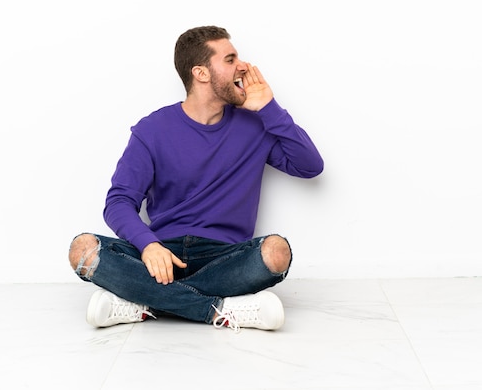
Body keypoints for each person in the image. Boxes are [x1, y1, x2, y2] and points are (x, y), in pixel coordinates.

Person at [68, 25, 324, 332]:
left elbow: (310, 166)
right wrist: (148, 245)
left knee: (276, 253)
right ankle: (219, 310)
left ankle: (143, 302)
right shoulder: (152, 129)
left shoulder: (256, 125)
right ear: (201, 73)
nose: (243, 66)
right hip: (162, 253)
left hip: (224, 257)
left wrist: (269, 108)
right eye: (230, 60)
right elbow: (119, 202)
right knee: (82, 250)